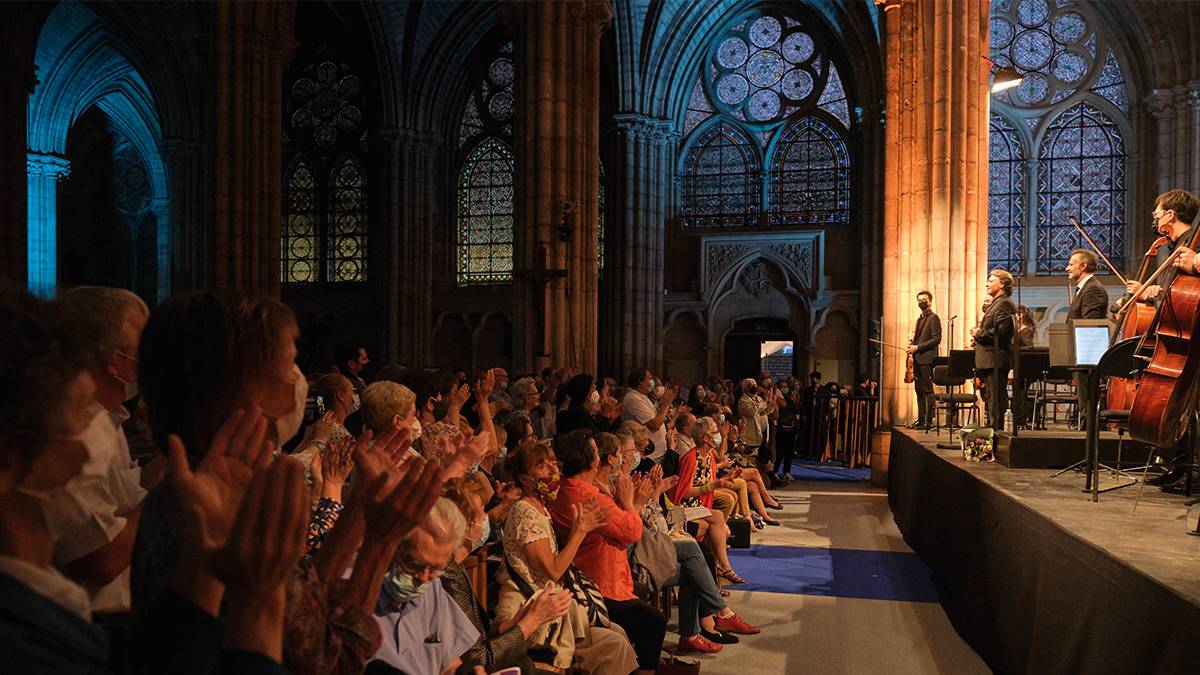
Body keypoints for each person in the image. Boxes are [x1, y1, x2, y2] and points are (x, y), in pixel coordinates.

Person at [496, 442, 638, 674]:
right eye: (541, 466)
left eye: (552, 463)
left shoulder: (541, 509)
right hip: (526, 613)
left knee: (617, 631)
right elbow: (552, 571)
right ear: (524, 477)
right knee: (614, 645)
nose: (551, 470)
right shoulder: (525, 512)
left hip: (550, 606)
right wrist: (579, 532)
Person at [549, 431, 666, 675]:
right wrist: (634, 502)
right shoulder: (587, 496)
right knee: (653, 622)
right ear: (593, 460)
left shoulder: (572, 489)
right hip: (601, 584)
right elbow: (632, 530)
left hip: (604, 576)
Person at [971, 271, 1016, 429]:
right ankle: (992, 431)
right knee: (991, 399)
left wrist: (979, 333)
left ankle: (995, 433)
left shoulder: (1004, 303)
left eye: (991, 281)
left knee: (996, 400)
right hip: (989, 359)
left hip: (995, 358)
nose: (987, 284)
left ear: (1002, 284)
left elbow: (1001, 333)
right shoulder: (997, 303)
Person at [621, 369, 677, 463]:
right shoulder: (633, 399)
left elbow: (658, 418)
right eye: (650, 378)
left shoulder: (643, 397)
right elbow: (655, 425)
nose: (652, 382)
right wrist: (666, 404)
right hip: (649, 454)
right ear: (640, 381)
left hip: (657, 452)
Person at [906, 290, 942, 430]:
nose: (922, 302)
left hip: (927, 359)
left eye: (924, 299)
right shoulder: (919, 319)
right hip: (917, 359)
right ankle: (921, 419)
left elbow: (936, 339)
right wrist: (912, 346)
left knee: (927, 390)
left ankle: (929, 420)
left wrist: (918, 347)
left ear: (930, 301)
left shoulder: (934, 318)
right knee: (918, 390)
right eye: (919, 300)